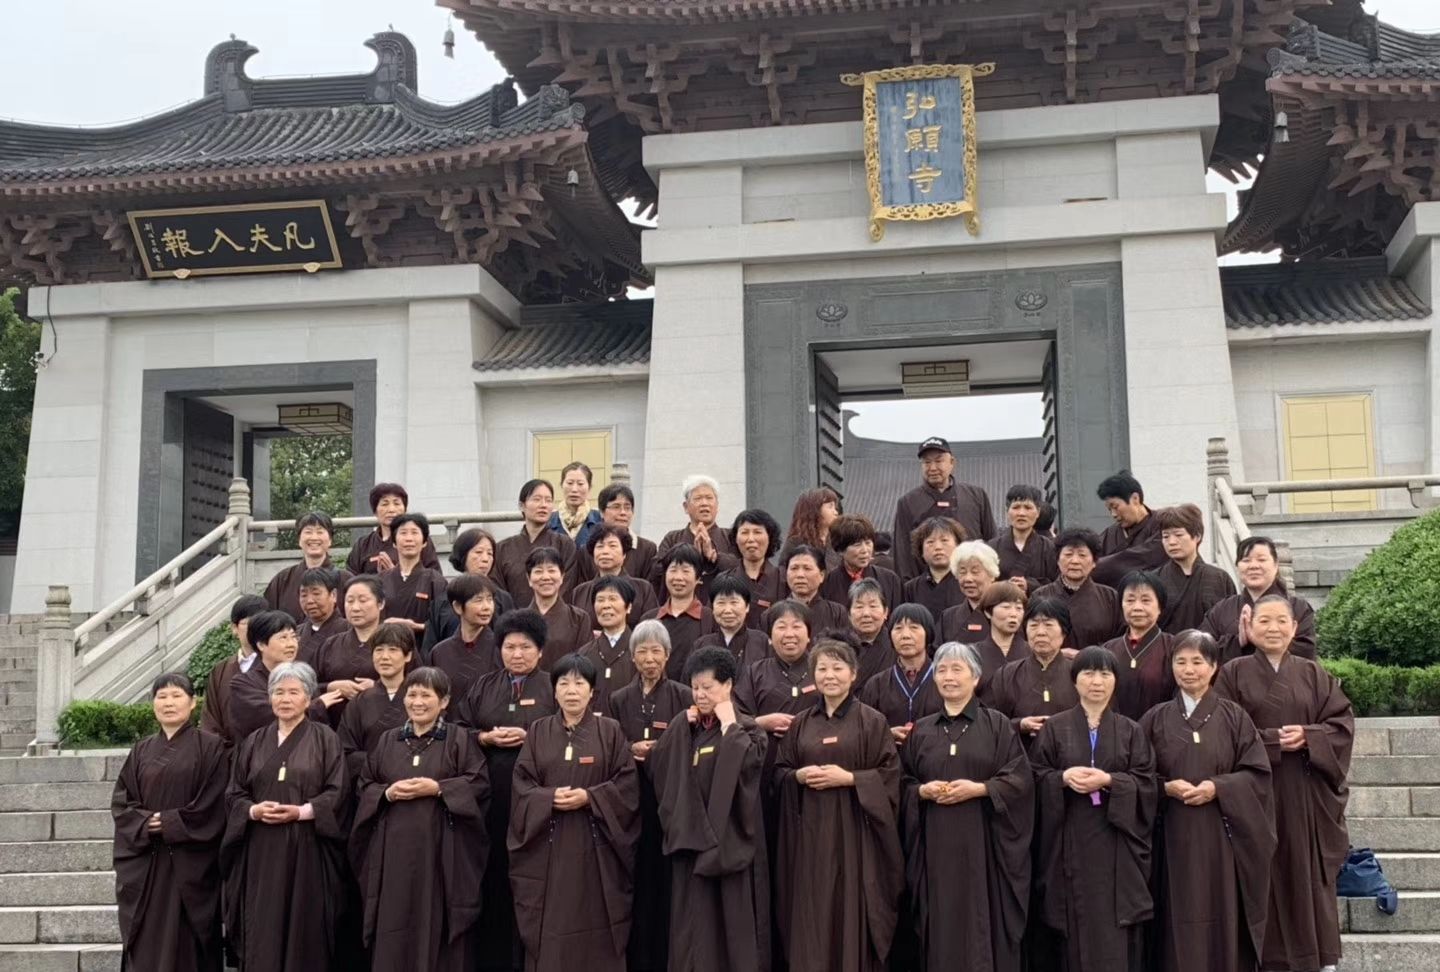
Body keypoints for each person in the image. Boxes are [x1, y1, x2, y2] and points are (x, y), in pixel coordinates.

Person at [1214, 595, 1353, 972]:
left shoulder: (1313, 673)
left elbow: (1341, 724)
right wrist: (1274, 741)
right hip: (1254, 792)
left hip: (1302, 792)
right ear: (1249, 627)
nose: (1273, 628)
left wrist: (1310, 737)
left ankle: (1314, 956)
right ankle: (1260, 956)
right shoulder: (1232, 672)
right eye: (1264, 621)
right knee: (1259, 867)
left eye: (1281, 622)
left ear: (1294, 628)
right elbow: (1223, 729)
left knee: (1303, 869)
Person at [1139, 631, 1275, 972]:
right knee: (1174, 912)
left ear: (1214, 667)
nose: (1189, 670)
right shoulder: (1154, 718)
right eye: (1180, 662)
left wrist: (1218, 788)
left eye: (1198, 662)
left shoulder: (1234, 717)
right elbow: (1135, 776)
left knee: (1221, 909)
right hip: (1170, 833)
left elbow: (1257, 774)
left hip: (1221, 836)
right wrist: (1164, 787)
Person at [900, 642, 1034, 972]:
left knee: (981, 921)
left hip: (984, 843)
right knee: (942, 922)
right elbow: (901, 782)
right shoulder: (923, 729)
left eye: (957, 669)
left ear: (975, 677)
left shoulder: (998, 724)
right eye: (942, 670)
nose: (949, 677)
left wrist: (982, 789)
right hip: (935, 845)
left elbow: (1020, 779)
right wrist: (921, 791)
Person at [772, 638, 904, 972]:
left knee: (850, 908)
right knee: (812, 909)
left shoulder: (872, 721)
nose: (829, 675)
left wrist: (850, 779)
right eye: (822, 668)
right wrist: (798, 776)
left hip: (855, 835)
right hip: (811, 837)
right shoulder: (801, 722)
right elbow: (780, 773)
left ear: (854, 674)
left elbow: (890, 775)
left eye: (837, 668)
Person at [350, 666, 490, 972]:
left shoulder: (458, 739)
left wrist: (439, 788)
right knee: (395, 918)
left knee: (435, 919)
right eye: (411, 694)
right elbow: (365, 784)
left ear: (443, 702)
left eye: (426, 695)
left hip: (441, 851)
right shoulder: (388, 740)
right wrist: (388, 793)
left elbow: (478, 783)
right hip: (393, 853)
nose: (418, 702)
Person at [509, 653, 641, 972]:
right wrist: (548, 797)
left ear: (592, 691)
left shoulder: (609, 731)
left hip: (597, 848)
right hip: (549, 848)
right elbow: (522, 784)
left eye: (579, 683)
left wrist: (590, 796)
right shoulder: (539, 730)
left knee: (597, 919)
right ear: (554, 691)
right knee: (551, 921)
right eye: (564, 683)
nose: (571, 690)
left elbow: (626, 784)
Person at [1030, 646, 1157, 972]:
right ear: (1074, 681)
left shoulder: (1131, 730)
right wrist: (1062, 778)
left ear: (1115, 680)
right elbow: (1034, 776)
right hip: (1069, 839)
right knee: (1073, 924)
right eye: (1088, 673)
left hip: (1116, 842)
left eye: (1105, 673)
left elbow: (1146, 782)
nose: (1096, 681)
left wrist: (1111, 780)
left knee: (1114, 929)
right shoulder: (1054, 728)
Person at [221, 661, 349, 972]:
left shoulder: (325, 738)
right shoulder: (253, 742)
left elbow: (338, 792)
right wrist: (253, 810)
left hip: (307, 847)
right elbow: (235, 793)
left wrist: (302, 812)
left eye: (294, 692)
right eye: (278, 692)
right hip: (261, 849)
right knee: (263, 921)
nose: (285, 699)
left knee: (304, 923)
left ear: (308, 698)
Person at [650, 646, 770, 972]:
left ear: (728, 685)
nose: (700, 694)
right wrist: (677, 726)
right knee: (692, 924)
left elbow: (746, 767)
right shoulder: (688, 728)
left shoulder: (748, 729)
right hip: (692, 842)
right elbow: (659, 769)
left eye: (708, 687)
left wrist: (730, 726)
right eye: (696, 687)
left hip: (730, 843)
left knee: (731, 920)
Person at [454, 610, 556, 972]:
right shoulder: (483, 686)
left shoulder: (553, 686)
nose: (517, 654)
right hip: (491, 799)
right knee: (493, 874)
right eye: (510, 647)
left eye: (526, 647)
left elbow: (568, 731)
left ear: (540, 651)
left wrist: (533, 738)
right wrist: (485, 737)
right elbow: (458, 730)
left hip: (537, 800)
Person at [112, 673, 228, 972]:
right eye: (161, 697)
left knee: (187, 941)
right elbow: (123, 801)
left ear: (192, 703)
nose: (168, 703)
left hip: (190, 860)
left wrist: (171, 822)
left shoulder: (212, 746)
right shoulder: (141, 750)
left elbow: (214, 800)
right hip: (147, 861)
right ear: (153, 705)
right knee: (145, 938)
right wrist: (145, 822)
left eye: (176, 696)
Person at [607, 621, 694, 972]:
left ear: (668, 655)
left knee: (667, 880)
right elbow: (611, 747)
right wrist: (631, 748)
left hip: (670, 800)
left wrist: (661, 749)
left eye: (656, 651)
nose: (649, 658)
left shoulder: (683, 696)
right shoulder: (618, 698)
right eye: (641, 651)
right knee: (635, 878)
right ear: (632, 657)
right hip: (631, 798)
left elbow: (693, 746)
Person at [227, 611, 338, 743]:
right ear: (261, 644)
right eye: (283, 638)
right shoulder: (243, 684)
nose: (291, 644)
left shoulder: (304, 678)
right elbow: (267, 715)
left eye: (293, 637)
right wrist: (316, 706)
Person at [893, 436, 994, 580]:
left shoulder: (976, 496)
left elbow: (991, 540)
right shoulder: (908, 502)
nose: (932, 468)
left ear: (952, 462)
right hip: (928, 584)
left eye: (939, 461)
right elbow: (902, 553)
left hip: (971, 580)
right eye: (927, 462)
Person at [1200, 536, 1317, 660]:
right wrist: (1237, 642)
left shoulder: (1298, 608)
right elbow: (1203, 651)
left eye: (1261, 560)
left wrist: (1259, 639)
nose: (1253, 566)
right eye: (1246, 560)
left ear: (1276, 565)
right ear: (1237, 567)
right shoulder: (1222, 609)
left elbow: (1306, 652)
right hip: (1235, 679)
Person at [988, 597, 1079, 750]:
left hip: (1070, 756)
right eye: (1034, 625)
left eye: (1049, 625)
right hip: (1020, 755)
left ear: (1064, 632)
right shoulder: (1007, 674)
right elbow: (991, 723)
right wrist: (1019, 725)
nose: (1040, 632)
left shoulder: (1079, 673)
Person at [337, 623, 415, 784]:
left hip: (414, 781)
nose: (384, 657)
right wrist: (381, 763)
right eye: (379, 650)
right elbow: (346, 751)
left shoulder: (420, 699)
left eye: (393, 650)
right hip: (370, 786)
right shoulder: (359, 702)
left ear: (408, 656)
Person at [422, 527, 515, 657]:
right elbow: (429, 648)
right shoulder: (443, 601)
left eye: (490, 553)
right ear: (463, 555)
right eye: (478, 552)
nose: (485, 559)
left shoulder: (503, 599)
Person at [311, 576, 388, 725]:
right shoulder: (330, 644)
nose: (355, 608)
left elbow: (414, 683)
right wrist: (330, 687)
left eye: (363, 600)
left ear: (381, 603)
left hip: (382, 726)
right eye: (350, 601)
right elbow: (308, 686)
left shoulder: (396, 642)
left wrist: (379, 688)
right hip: (335, 726)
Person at [859, 603, 941, 743]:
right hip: (890, 760)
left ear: (928, 632)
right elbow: (863, 731)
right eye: (898, 628)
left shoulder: (944, 679)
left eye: (914, 627)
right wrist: (886, 735)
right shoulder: (876, 684)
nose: (905, 635)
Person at [1102, 570, 1177, 721]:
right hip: (1115, 734)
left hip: (1160, 732)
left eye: (1145, 600)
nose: (1137, 607)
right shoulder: (1107, 650)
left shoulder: (1174, 647)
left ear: (1160, 607)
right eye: (1130, 600)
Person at [1031, 529, 1123, 650]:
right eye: (1068, 554)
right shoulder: (1039, 595)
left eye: (1082, 555)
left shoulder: (1110, 597)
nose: (1075, 561)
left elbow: (1120, 640)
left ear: (1094, 562)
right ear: (1058, 560)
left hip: (1096, 666)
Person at [494, 479, 579, 608]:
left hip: (554, 621)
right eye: (537, 499)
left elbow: (567, 586)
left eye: (548, 500)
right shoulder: (503, 548)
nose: (543, 505)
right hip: (514, 623)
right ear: (522, 505)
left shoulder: (564, 544)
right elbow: (498, 592)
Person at [1153, 504, 1235, 633]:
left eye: (1178, 534)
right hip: (1169, 650)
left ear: (1197, 536)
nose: (1172, 542)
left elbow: (1230, 622)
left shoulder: (1220, 578)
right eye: (1165, 536)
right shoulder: (1155, 579)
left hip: (1211, 650)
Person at [643, 545, 719, 681]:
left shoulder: (710, 618)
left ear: (698, 578)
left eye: (685, 571)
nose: (678, 578)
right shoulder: (649, 619)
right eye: (673, 570)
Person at [200, 594, 268, 745]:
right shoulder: (220, 671)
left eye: (260, 623)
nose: (254, 629)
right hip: (227, 758)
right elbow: (210, 720)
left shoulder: (276, 666)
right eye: (248, 623)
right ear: (234, 628)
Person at [654, 475, 740, 591]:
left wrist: (713, 556)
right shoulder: (672, 538)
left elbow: (740, 569)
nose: (704, 503)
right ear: (686, 507)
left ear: (717, 505)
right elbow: (656, 572)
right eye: (698, 498)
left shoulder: (730, 536)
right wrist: (688, 558)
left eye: (709, 498)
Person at [265, 511, 354, 624]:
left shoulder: (345, 579)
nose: (314, 537)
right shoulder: (283, 579)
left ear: (330, 540)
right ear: (299, 540)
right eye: (308, 532)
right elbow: (268, 619)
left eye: (320, 532)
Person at [430, 574, 502, 702]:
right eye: (478, 600)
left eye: (489, 599)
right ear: (458, 607)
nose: (487, 607)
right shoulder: (439, 653)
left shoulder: (502, 648)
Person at [570, 525, 660, 628]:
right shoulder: (580, 592)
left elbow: (651, 628)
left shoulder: (643, 589)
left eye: (612, 546)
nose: (605, 551)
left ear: (624, 553)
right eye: (600, 546)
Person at [1092, 471, 1168, 587]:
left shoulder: (1162, 524)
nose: (1113, 514)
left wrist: (1097, 566)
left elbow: (1146, 557)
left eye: (1115, 507)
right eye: (1109, 510)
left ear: (1135, 499)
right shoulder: (1110, 533)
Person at [348, 482, 441, 575]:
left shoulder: (417, 540)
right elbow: (351, 580)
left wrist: (395, 575)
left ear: (405, 509)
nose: (391, 509)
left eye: (397, 503)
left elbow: (434, 578)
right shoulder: (363, 545)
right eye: (385, 504)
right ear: (375, 511)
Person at [378, 512, 449, 635]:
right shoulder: (379, 580)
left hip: (422, 648)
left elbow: (445, 621)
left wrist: (419, 626)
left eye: (415, 532)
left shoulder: (435, 580)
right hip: (387, 648)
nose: (409, 538)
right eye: (403, 533)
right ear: (394, 542)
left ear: (424, 542)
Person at [579, 576, 639, 713]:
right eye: (600, 600)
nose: (606, 605)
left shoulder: (641, 650)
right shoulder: (584, 653)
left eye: (613, 599)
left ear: (628, 607)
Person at [820, 514, 904, 611]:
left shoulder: (890, 580)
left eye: (868, 543)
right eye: (857, 545)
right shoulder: (828, 584)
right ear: (840, 550)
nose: (865, 550)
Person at [580, 483, 659, 583]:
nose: (623, 512)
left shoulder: (647, 549)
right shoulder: (587, 550)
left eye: (627, 507)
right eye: (616, 507)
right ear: (602, 512)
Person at [525, 546, 590, 666]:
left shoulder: (579, 618)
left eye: (551, 570)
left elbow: (584, 662)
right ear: (529, 579)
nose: (545, 577)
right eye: (538, 571)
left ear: (562, 577)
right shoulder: (518, 620)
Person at [727, 508, 787, 629]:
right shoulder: (726, 580)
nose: (751, 539)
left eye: (757, 532)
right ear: (736, 539)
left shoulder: (784, 578)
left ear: (770, 537)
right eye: (744, 532)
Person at [993, 485, 1058, 595]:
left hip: (1039, 610)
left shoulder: (1049, 548)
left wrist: (1030, 585)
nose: (1021, 513)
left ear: (1037, 512)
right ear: (1007, 511)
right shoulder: (992, 547)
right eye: (1016, 507)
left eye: (1028, 508)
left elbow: (1058, 586)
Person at [694, 573, 771, 665]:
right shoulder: (701, 645)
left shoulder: (762, 642)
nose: (728, 610)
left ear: (747, 607)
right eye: (721, 602)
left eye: (734, 602)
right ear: (713, 608)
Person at [974, 581, 1031, 704]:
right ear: (988, 612)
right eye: (1006, 607)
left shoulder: (1032, 652)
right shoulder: (972, 654)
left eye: (1019, 608)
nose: (1013, 614)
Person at [900, 517, 966, 620]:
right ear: (921, 550)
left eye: (944, 540)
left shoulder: (967, 584)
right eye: (930, 542)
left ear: (958, 546)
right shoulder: (910, 589)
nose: (938, 547)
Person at [780, 544, 851, 634]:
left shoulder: (837, 613)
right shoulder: (772, 614)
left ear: (821, 575)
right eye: (794, 568)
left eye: (807, 568)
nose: (800, 575)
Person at [939, 540, 1000, 644]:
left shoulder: (1006, 614)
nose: (968, 579)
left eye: (975, 572)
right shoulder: (948, 617)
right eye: (962, 572)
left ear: (992, 575)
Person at [847, 577, 896, 686]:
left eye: (873, 606)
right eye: (859, 607)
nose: (866, 613)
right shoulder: (841, 647)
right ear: (849, 614)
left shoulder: (896, 646)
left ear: (885, 612)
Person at [783, 487, 842, 571]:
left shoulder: (837, 541)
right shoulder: (796, 542)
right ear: (815, 510)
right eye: (830, 507)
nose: (835, 512)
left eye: (835, 508)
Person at [547, 460, 605, 548]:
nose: (574, 489)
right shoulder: (549, 521)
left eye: (580, 484)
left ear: (589, 487)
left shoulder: (600, 520)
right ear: (561, 485)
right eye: (569, 483)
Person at [296, 568, 348, 660]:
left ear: (333, 595)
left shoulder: (349, 630)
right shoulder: (296, 633)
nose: (309, 601)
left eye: (316, 593)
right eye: (304, 595)